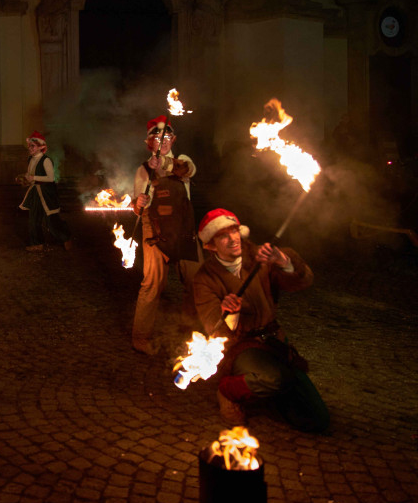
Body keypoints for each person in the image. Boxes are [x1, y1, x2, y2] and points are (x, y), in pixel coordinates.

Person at [192, 208, 329, 433]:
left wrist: (284, 262)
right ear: (211, 245)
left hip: (274, 341)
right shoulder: (205, 279)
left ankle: (270, 389)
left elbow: (303, 282)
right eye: (223, 235)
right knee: (274, 378)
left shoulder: (259, 258)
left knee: (317, 419)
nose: (233, 239)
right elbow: (214, 330)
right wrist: (229, 312)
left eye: (234, 231)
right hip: (240, 347)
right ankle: (228, 391)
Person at [130, 116, 199, 355]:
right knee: (152, 285)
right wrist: (139, 203)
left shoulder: (183, 161)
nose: (162, 141)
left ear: (174, 139)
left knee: (195, 281)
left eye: (167, 137)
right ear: (148, 142)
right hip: (155, 229)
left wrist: (163, 165)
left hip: (184, 227)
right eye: (157, 138)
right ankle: (140, 337)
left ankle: (190, 331)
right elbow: (137, 209)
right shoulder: (142, 170)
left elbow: (187, 170)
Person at [17, 131, 72, 251]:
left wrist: (34, 178)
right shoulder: (31, 159)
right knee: (33, 219)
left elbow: (50, 178)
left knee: (51, 219)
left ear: (41, 147)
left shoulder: (46, 160)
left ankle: (66, 238)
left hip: (46, 194)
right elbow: (32, 176)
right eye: (29, 146)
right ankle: (37, 243)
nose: (30, 148)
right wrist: (25, 180)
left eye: (33, 146)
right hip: (36, 193)